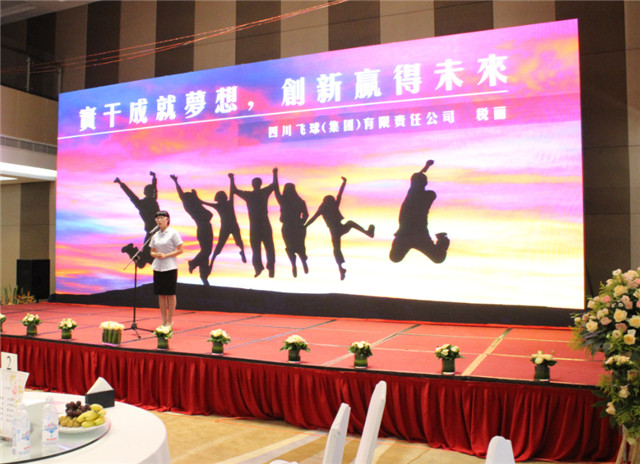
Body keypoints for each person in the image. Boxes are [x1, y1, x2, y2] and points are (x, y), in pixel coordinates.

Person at [305, 176, 374, 280]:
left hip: (338, 229)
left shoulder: (330, 205)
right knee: (338, 247)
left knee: (349, 226)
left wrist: (344, 182)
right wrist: (305, 226)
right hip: (336, 230)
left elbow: (339, 194)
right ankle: (341, 269)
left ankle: (368, 233)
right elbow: (313, 218)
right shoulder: (324, 208)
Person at [389, 160, 450, 264]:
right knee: (394, 258)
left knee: (438, 258)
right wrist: (426, 167)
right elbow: (417, 177)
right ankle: (442, 240)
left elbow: (417, 178)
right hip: (406, 234)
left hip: (419, 235)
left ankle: (442, 240)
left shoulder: (424, 195)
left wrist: (426, 167)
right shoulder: (423, 194)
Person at [229, 168, 278, 278]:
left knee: (261, 247)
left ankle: (265, 267)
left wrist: (232, 179)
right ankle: (263, 267)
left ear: (253, 184)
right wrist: (275, 174)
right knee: (265, 247)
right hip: (261, 224)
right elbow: (274, 185)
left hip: (258, 225)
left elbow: (234, 190)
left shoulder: (251, 195)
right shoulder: (260, 193)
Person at [170, 175, 213, 285]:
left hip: (204, 229)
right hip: (204, 229)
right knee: (206, 252)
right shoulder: (192, 206)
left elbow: (181, 194)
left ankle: (204, 277)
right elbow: (181, 194)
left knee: (205, 253)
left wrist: (176, 182)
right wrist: (176, 182)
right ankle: (194, 263)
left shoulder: (194, 205)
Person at [114, 171, 159, 268]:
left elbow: (154, 189)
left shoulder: (153, 200)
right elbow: (131, 195)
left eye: (152, 192)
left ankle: (131, 251)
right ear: (146, 193)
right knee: (145, 262)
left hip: (156, 234)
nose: (153, 193)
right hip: (152, 234)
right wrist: (121, 184)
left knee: (144, 262)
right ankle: (131, 251)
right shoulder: (142, 204)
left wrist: (154, 178)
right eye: (150, 192)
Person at [202, 179, 247, 272]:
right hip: (226, 227)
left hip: (232, 226)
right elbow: (204, 202)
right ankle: (211, 263)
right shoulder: (218, 205)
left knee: (239, 242)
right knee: (220, 246)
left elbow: (231, 191)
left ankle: (242, 253)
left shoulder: (228, 203)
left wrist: (231, 179)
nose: (220, 200)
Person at [149, 210, 184, 327]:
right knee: (161, 294)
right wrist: (156, 254)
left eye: (161, 218)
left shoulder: (173, 233)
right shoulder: (155, 235)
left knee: (170, 294)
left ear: (167, 219)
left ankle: (169, 320)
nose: (159, 220)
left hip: (170, 266)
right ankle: (163, 320)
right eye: (157, 218)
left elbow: (180, 250)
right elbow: (151, 251)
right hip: (158, 266)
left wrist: (166, 255)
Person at [275, 180, 309, 277]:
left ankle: (295, 264)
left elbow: (276, 190)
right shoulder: (300, 201)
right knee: (300, 246)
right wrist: (301, 222)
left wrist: (275, 175)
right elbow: (306, 215)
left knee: (290, 247)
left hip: (289, 226)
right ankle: (301, 262)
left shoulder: (283, 200)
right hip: (297, 226)